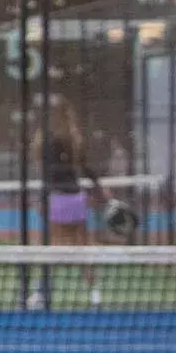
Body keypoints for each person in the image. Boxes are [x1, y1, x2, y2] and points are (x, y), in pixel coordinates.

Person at [31, 96, 104, 308]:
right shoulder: (74, 141)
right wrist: (99, 190)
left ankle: (40, 292)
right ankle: (95, 293)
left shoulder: (47, 142)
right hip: (76, 197)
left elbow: (49, 174)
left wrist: (43, 199)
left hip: (59, 199)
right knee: (83, 247)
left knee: (52, 246)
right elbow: (86, 169)